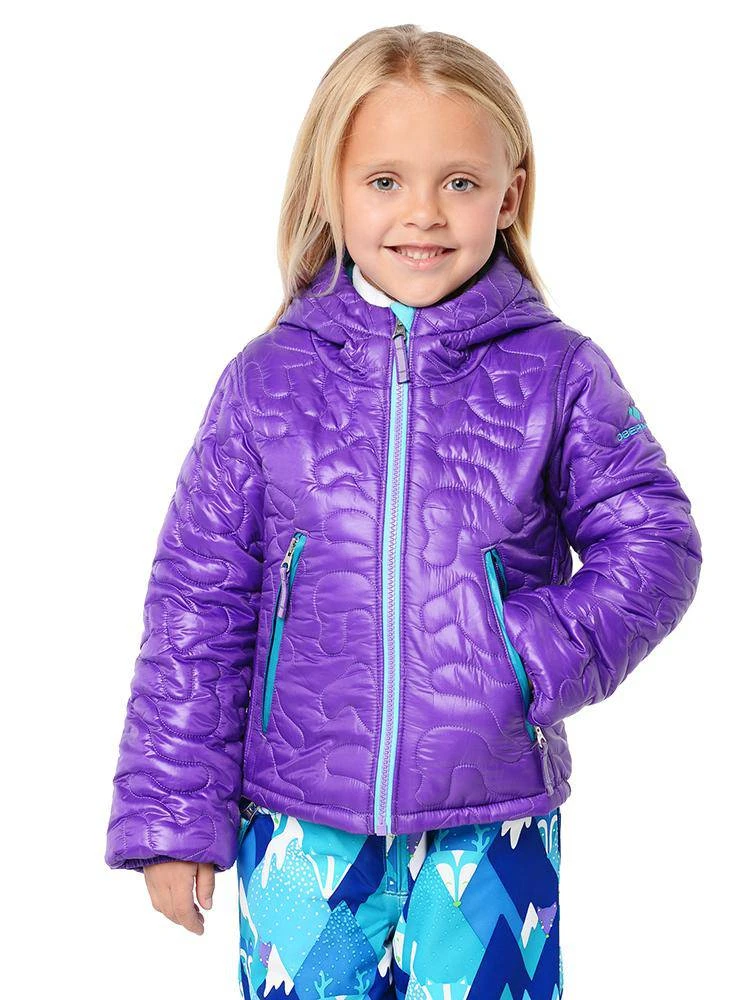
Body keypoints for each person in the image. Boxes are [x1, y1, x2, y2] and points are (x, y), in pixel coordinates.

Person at [104, 24, 702, 1000]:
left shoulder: (558, 373)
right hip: (299, 820)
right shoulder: (266, 382)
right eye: (385, 180)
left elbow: (657, 541)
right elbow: (197, 603)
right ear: (331, 189)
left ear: (509, 193)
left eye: (459, 181)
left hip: (492, 821)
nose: (423, 212)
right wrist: (174, 815)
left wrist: (524, 657)